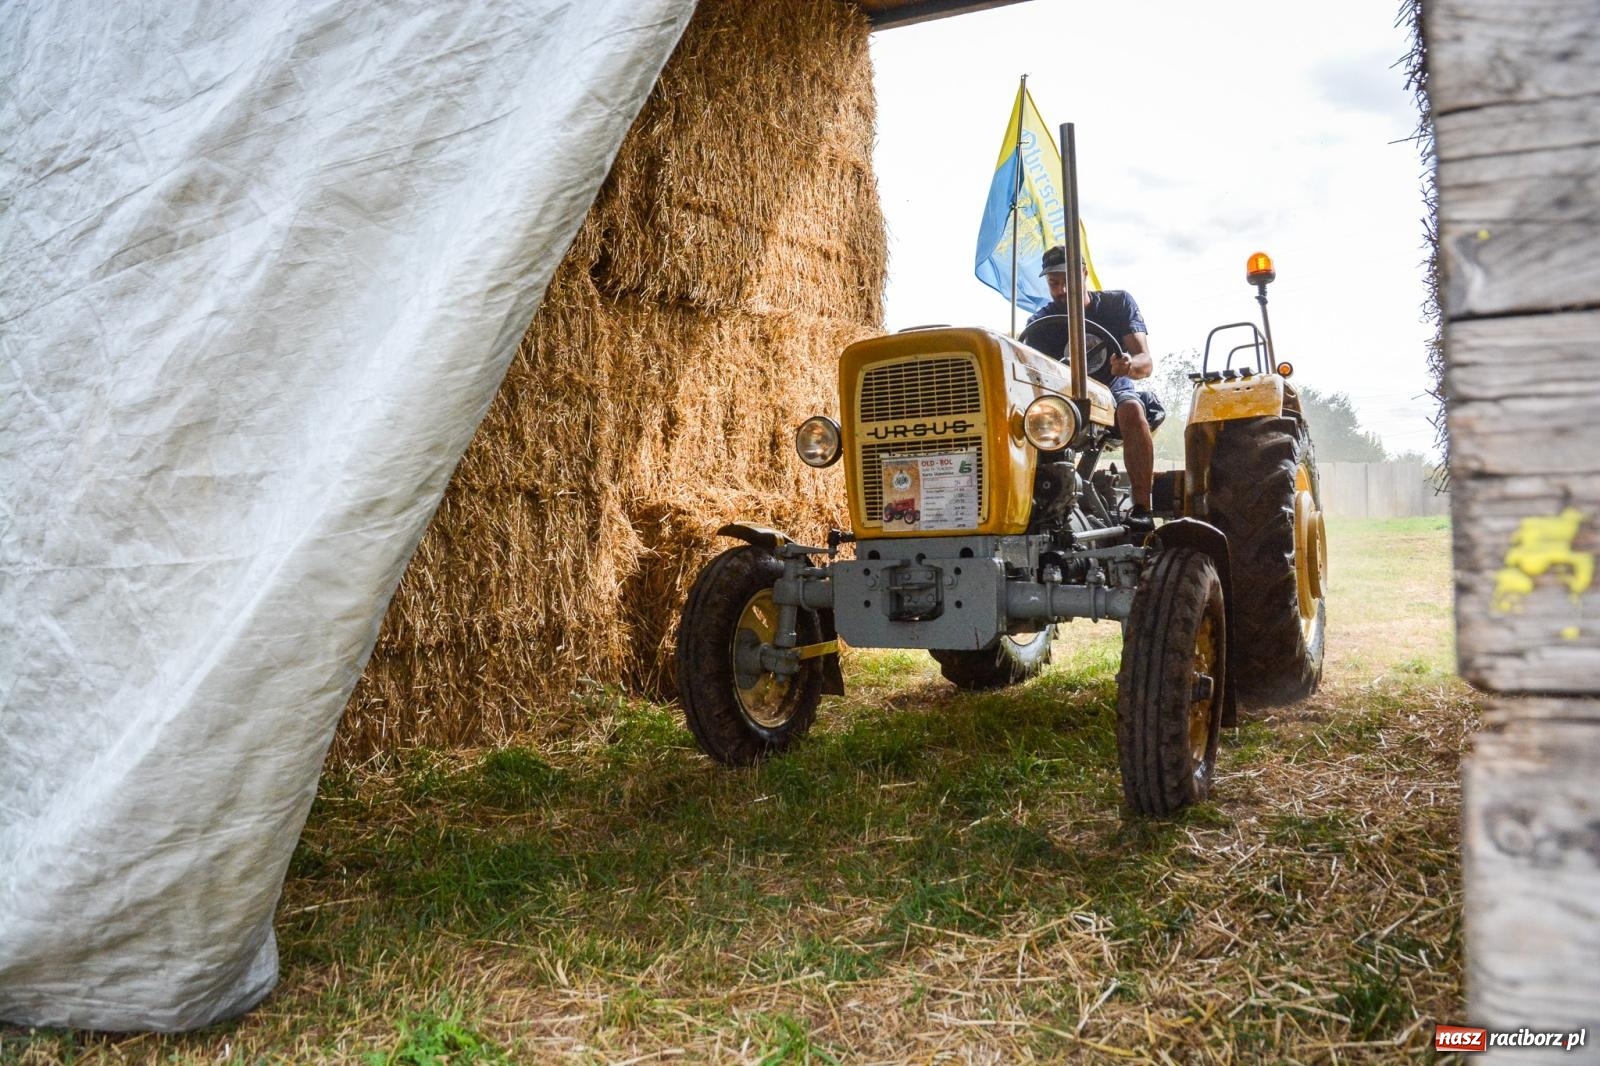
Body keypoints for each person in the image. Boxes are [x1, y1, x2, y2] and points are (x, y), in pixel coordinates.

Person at [1027, 244, 1159, 528]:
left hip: (1113, 389)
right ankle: (1033, 508)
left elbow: (1144, 362)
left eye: (1067, 280)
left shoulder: (1118, 304)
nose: (1061, 290)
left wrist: (1127, 365)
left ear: (1083, 274)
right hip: (1064, 398)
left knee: (1132, 411)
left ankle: (1142, 509)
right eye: (1054, 283)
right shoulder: (1041, 322)